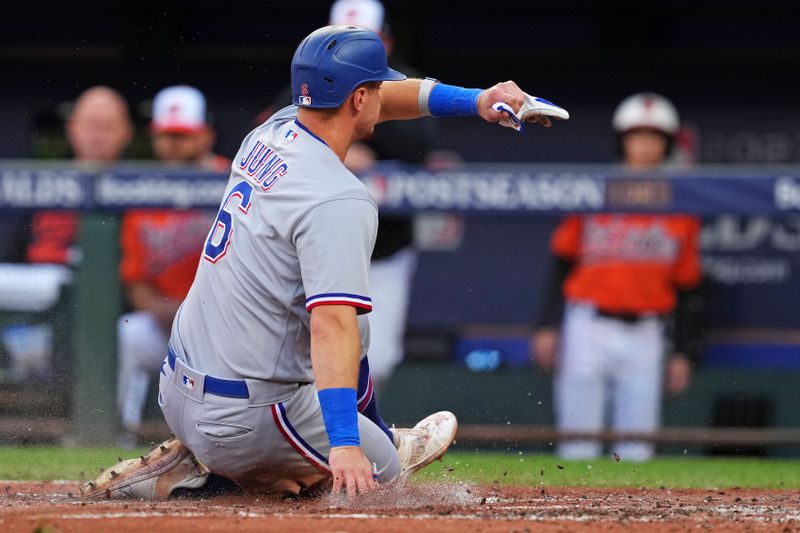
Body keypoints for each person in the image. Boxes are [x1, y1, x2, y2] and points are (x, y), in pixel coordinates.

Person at [86, 24, 555, 500]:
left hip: (178, 389)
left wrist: (478, 101)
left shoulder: (269, 133)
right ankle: (202, 481)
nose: (383, 94)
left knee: (341, 325)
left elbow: (383, 98)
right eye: (373, 86)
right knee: (381, 469)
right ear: (357, 99)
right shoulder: (338, 197)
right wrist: (346, 446)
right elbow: (331, 326)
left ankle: (251, 452)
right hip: (242, 419)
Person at [260, 0, 440, 396]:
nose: (349, 50)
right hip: (312, 246)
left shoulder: (400, 82)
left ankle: (348, 434)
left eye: (363, 40)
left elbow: (421, 146)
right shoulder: (300, 91)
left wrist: (360, 137)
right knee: (308, 348)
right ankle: (330, 437)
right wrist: (339, 147)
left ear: (386, 41)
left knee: (378, 357)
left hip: (382, 247)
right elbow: (275, 131)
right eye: (340, 38)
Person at [531, 92, 706, 462]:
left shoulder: (681, 204)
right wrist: (547, 325)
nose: (644, 145)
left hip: (647, 331)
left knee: (637, 450)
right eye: (636, 135)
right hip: (588, 326)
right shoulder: (596, 190)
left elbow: (690, 287)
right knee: (577, 444)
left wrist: (684, 353)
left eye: (654, 137)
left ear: (668, 144)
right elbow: (562, 263)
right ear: (622, 140)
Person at [115, 85, 225, 448]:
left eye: (183, 136)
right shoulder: (143, 192)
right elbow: (136, 279)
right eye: (167, 136)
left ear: (205, 135)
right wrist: (164, 310)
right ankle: (120, 434)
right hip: (167, 321)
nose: (174, 145)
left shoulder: (236, 179)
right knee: (130, 332)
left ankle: (226, 440)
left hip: (223, 323)